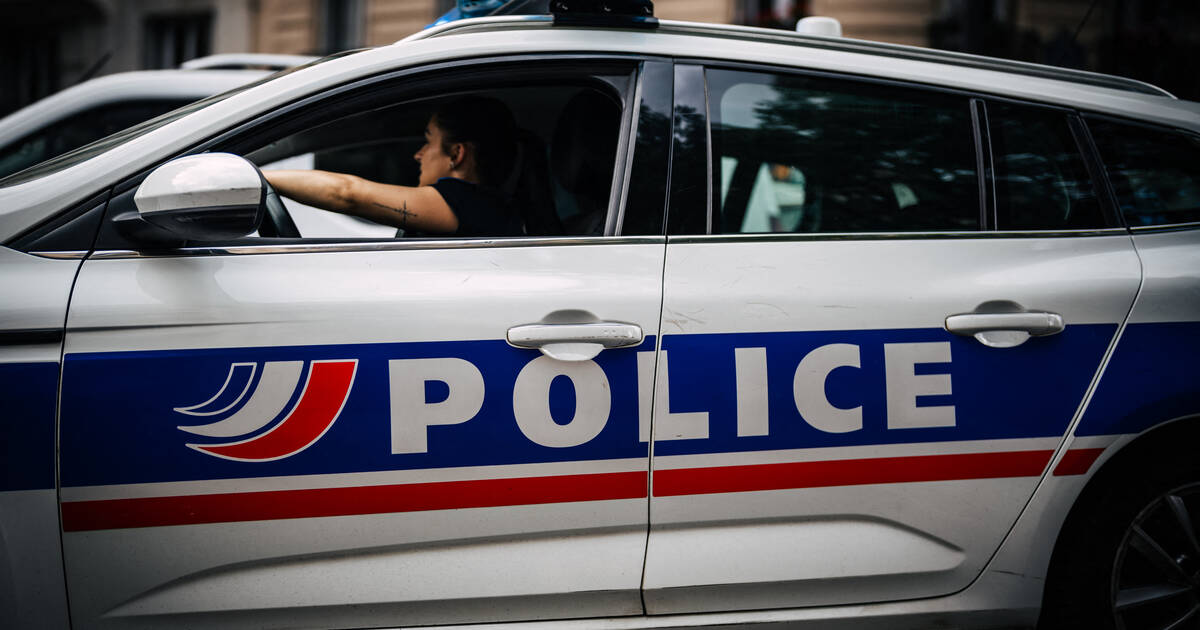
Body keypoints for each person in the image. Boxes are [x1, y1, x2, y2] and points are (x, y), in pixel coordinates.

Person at [264, 96, 524, 237]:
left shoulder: (470, 203)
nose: (418, 155)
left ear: (457, 154)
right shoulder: (494, 207)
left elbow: (346, 194)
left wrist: (258, 176)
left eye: (428, 141)